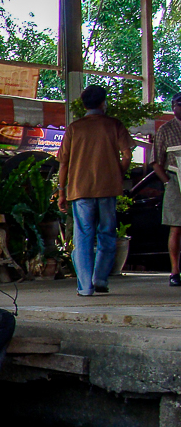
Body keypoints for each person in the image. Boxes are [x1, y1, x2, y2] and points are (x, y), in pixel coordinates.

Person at [56, 85, 136, 296]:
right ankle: (100, 278)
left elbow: (63, 163)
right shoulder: (114, 125)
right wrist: (117, 172)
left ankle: (85, 287)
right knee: (107, 233)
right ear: (103, 103)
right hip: (108, 188)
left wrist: (61, 191)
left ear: (84, 105)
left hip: (80, 189)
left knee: (83, 235)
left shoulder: (74, 128)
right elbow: (127, 155)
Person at [151, 92, 181, 286]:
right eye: (180, 104)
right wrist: (168, 183)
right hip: (175, 181)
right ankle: (174, 272)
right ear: (173, 107)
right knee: (176, 227)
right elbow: (156, 162)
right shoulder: (165, 129)